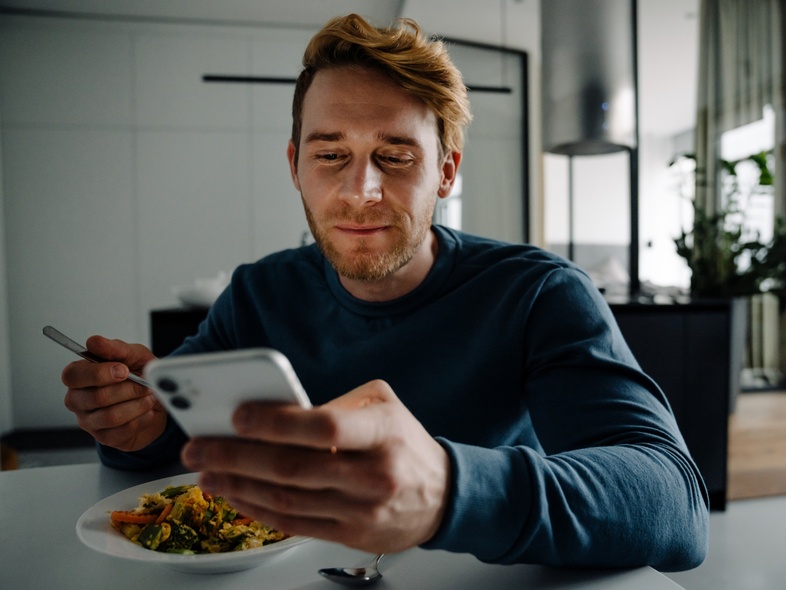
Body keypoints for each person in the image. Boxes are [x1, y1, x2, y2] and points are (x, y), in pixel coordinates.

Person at [62, 13, 708, 570]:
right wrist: (138, 427)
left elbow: (674, 506)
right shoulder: (259, 291)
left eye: (396, 156)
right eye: (330, 155)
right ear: (295, 166)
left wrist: (449, 490)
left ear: (446, 170)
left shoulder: (539, 293)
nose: (360, 190)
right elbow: (186, 447)